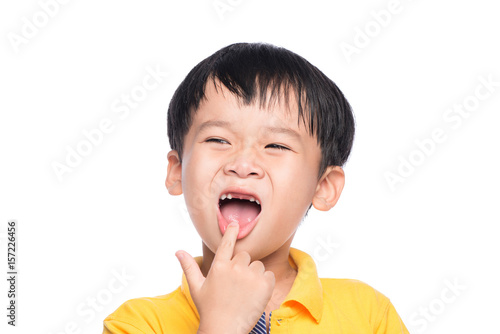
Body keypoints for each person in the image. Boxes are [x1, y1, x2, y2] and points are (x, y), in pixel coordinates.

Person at [103, 42, 409, 333]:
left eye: (275, 145)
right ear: (177, 170)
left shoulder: (368, 315)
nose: (243, 163)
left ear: (324, 186)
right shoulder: (138, 324)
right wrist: (220, 325)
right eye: (218, 140)